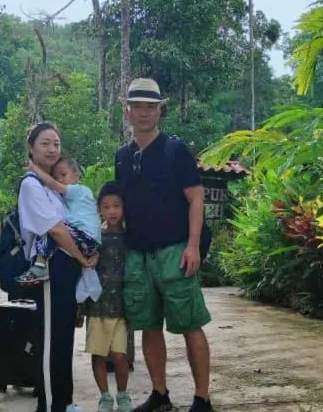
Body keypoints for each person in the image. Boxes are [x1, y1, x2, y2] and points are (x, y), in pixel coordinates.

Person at [115, 79, 213, 412]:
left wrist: (194, 246)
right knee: (149, 326)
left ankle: (202, 398)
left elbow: (196, 199)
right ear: (127, 111)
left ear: (160, 110)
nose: (143, 113)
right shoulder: (122, 157)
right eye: (137, 106)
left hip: (175, 251)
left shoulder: (176, 150)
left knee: (189, 324)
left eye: (150, 106)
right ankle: (160, 395)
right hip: (138, 256)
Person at [18, 121, 99, 412]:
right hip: (52, 270)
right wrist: (81, 256)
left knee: (64, 337)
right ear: (31, 148)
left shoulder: (53, 187)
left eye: (56, 144)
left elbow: (74, 223)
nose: (52, 149)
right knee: (53, 340)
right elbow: (56, 231)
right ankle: (51, 405)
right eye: (45, 143)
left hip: (66, 271)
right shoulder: (31, 185)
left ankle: (64, 402)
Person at [18, 156, 102, 303]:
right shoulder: (68, 200)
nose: (60, 180)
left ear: (77, 174)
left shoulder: (79, 190)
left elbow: (51, 184)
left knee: (48, 228)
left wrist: (34, 169)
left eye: (63, 175)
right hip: (89, 242)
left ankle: (39, 265)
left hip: (85, 238)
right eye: (57, 176)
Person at [85, 181, 132, 412]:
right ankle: (105, 397)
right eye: (106, 206)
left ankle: (123, 396)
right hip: (97, 306)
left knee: (120, 356)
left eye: (117, 205)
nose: (112, 211)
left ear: (124, 208)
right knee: (98, 355)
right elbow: (84, 271)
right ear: (99, 210)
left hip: (122, 308)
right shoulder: (94, 238)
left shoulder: (132, 238)